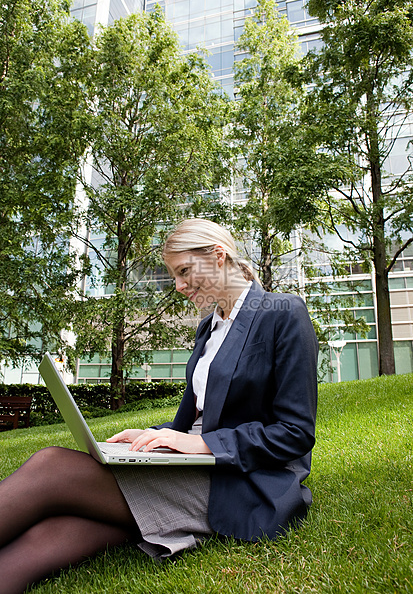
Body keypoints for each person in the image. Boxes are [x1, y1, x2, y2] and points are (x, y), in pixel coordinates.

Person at [0, 218, 318, 594]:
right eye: (175, 276)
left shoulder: (282, 312)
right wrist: (157, 435)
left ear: (218, 256)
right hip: (191, 466)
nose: (180, 287)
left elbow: (296, 433)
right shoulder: (209, 326)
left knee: (51, 466)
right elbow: (202, 415)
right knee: (52, 531)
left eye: (184, 272)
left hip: (239, 479)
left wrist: (205, 445)